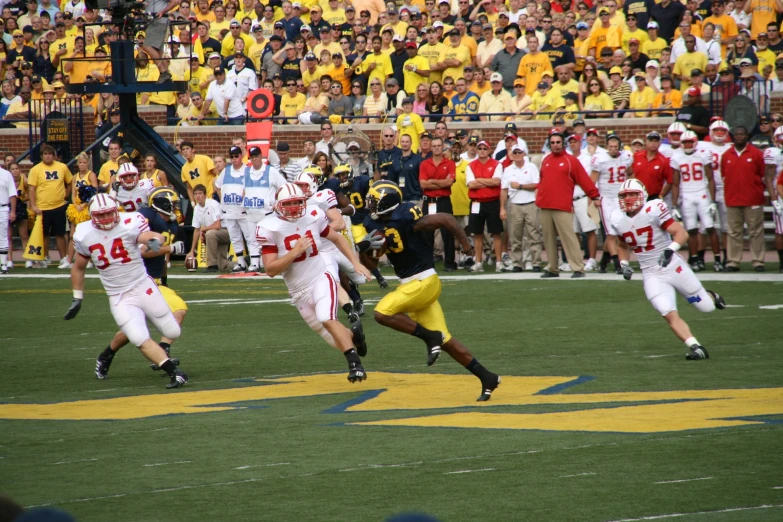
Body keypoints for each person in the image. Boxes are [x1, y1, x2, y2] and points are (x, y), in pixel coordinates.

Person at [360, 180, 501, 401]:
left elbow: (445, 219)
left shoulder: (406, 215)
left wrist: (465, 244)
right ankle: (487, 377)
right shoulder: (373, 223)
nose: (370, 205)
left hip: (424, 281)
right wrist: (365, 250)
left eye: (374, 201)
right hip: (411, 285)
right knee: (446, 341)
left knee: (382, 312)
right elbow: (372, 265)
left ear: (387, 202)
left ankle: (429, 337)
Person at [66, 194, 188, 389]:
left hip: (143, 285)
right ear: (93, 216)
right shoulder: (84, 233)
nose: (106, 219)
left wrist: (155, 240)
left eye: (109, 213)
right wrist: (77, 297)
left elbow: (146, 236)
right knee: (138, 336)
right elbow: (78, 266)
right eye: (101, 215)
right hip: (119, 295)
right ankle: (174, 372)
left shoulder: (129, 222)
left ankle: (121, 353)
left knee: (172, 330)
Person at [257, 183, 372, 382]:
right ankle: (355, 338)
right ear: (278, 205)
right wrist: (295, 252)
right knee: (332, 337)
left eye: (297, 202)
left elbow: (337, 238)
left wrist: (355, 262)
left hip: (320, 275)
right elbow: (270, 270)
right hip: (298, 290)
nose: (294, 207)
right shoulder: (268, 226)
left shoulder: (313, 214)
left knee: (326, 318)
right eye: (289, 203)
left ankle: (355, 366)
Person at [613, 178, 726, 360]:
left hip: (673, 266)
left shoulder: (654, 209)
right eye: (624, 195)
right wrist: (624, 264)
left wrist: (669, 250)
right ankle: (696, 347)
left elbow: (681, 233)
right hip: (651, 274)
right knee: (667, 312)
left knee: (706, 308)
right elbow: (621, 245)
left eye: (632, 194)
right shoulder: (617, 218)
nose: (628, 199)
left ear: (642, 195)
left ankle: (711, 297)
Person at [538, 129, 600, 277]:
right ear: (549, 144)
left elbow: (584, 179)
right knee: (548, 238)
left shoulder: (570, 160)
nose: (555, 145)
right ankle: (552, 267)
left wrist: (594, 196)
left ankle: (578, 267)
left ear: (563, 144)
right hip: (545, 204)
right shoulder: (545, 160)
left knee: (568, 237)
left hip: (562, 205)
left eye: (558, 142)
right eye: (552, 143)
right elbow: (542, 180)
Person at [669, 131, 723, 272]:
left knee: (710, 227)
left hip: (702, 194)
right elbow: (675, 184)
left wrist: (713, 201)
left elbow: (711, 179)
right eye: (685, 142)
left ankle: (717, 259)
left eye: (689, 142)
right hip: (687, 196)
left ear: (695, 142)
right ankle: (694, 259)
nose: (687, 145)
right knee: (691, 230)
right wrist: (674, 205)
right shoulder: (676, 157)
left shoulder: (703, 155)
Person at [721, 126, 773, 272]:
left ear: (747, 136)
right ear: (733, 136)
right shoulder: (726, 155)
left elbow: (762, 174)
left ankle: (758, 261)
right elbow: (724, 175)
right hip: (732, 199)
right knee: (733, 232)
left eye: (742, 134)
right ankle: (733, 261)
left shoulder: (756, 154)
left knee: (755, 231)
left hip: (753, 199)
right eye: (736, 134)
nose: (739, 137)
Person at [591, 134, 634, 274]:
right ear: (606, 147)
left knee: (620, 231)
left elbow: (630, 173)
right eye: (611, 147)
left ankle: (604, 260)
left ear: (619, 147)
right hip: (607, 198)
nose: (613, 149)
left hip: (621, 198)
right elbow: (592, 181)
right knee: (611, 233)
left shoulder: (626, 157)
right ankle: (617, 263)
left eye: (616, 147)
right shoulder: (601, 159)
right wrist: (594, 197)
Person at [215, 146, 260, 273]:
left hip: (244, 211)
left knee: (250, 236)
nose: (234, 159)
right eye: (232, 157)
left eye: (236, 156)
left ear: (241, 156)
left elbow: (251, 188)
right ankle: (241, 262)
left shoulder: (248, 170)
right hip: (229, 211)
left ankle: (255, 262)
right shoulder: (226, 171)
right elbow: (217, 186)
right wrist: (222, 199)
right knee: (234, 237)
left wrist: (245, 199)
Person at [27, 144, 71, 268]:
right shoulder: (35, 169)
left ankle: (63, 258)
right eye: (45, 154)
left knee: (60, 234)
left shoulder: (62, 167)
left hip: (59, 206)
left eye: (50, 154)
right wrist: (34, 206)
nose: (48, 156)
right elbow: (31, 189)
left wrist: (66, 196)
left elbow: (70, 182)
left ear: (54, 155)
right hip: (42, 208)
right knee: (44, 235)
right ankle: (45, 257)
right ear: (41, 156)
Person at [500, 143, 541, 272]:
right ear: (511, 155)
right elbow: (504, 189)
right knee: (515, 236)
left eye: (519, 152)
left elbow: (537, 184)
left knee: (533, 235)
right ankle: (517, 263)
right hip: (515, 204)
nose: (517, 155)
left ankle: (536, 262)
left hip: (530, 203)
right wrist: (502, 207)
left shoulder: (532, 167)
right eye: (515, 153)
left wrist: (521, 186)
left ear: (524, 154)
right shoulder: (508, 170)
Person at [465, 140, 504, 272]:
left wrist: (480, 180)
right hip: (476, 202)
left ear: (489, 150)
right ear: (476, 150)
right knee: (477, 233)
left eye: (484, 148)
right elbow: (471, 184)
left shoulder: (496, 164)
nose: (482, 150)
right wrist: (488, 182)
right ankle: (478, 262)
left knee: (496, 233)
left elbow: (496, 181)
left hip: (493, 202)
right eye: (479, 148)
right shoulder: (470, 166)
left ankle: (499, 262)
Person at [419, 137, 457, 271]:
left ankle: (450, 263)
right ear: (430, 147)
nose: (436, 148)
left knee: (448, 231)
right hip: (429, 201)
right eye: (434, 146)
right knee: (427, 233)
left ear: (442, 147)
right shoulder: (424, 164)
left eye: (438, 145)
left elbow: (450, 183)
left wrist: (431, 182)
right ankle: (428, 264)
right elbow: (423, 184)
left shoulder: (450, 163)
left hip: (444, 201)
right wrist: (441, 182)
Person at [187, 183, 229, 272]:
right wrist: (192, 251)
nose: (198, 196)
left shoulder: (213, 204)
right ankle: (245, 262)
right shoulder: (197, 209)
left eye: (200, 193)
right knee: (223, 266)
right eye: (195, 194)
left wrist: (204, 229)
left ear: (205, 195)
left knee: (210, 233)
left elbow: (218, 225)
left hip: (226, 232)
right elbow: (196, 230)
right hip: (215, 235)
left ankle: (212, 265)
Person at [633, 131, 673, 201]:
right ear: (646, 142)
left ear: (659, 143)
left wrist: (661, 195)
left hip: (653, 197)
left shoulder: (663, 161)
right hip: (636, 195)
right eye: (651, 140)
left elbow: (670, 181)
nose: (653, 143)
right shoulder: (637, 156)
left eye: (656, 141)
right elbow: (630, 173)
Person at [0, 164, 15, 274]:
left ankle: (3, 264)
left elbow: (12, 194)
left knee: (3, 236)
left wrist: (13, 211)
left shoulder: (6, 174)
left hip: (2, 208)